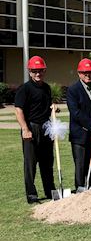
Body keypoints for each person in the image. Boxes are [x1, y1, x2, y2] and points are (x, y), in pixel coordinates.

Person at [15, 56, 55, 203]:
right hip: (31, 127)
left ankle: (50, 191)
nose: (38, 74)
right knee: (30, 163)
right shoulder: (24, 89)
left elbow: (46, 106)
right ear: (30, 71)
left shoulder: (46, 88)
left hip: (45, 128)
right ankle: (31, 195)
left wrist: (53, 109)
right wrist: (25, 129)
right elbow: (18, 110)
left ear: (44, 71)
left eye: (41, 71)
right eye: (35, 71)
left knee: (47, 161)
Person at [66, 58, 91, 191]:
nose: (88, 75)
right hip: (80, 133)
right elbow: (75, 112)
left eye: (90, 72)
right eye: (84, 72)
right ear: (79, 73)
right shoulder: (73, 90)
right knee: (81, 163)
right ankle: (81, 188)